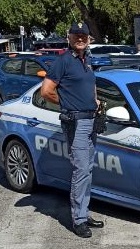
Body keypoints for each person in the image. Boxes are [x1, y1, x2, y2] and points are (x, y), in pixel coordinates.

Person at [40, 22, 104, 238]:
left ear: (88, 39)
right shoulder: (63, 61)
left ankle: (84, 214)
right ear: (69, 37)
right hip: (75, 122)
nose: (80, 38)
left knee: (88, 170)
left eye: (83, 35)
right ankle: (77, 220)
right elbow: (46, 91)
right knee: (80, 170)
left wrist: (94, 100)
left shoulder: (87, 61)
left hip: (91, 120)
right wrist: (66, 103)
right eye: (76, 35)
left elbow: (89, 86)